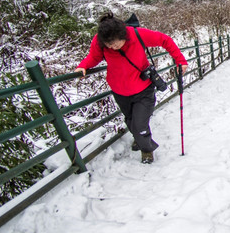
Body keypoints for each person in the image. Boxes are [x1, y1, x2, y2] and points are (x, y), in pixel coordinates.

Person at [75, 13, 188, 164]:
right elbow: (94, 57)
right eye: (109, 45)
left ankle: (146, 149)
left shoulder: (136, 34)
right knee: (130, 120)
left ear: (123, 36)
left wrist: (180, 60)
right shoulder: (100, 41)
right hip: (119, 91)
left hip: (143, 89)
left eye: (115, 44)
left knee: (140, 124)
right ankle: (138, 139)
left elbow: (164, 40)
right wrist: (83, 66)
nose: (112, 48)